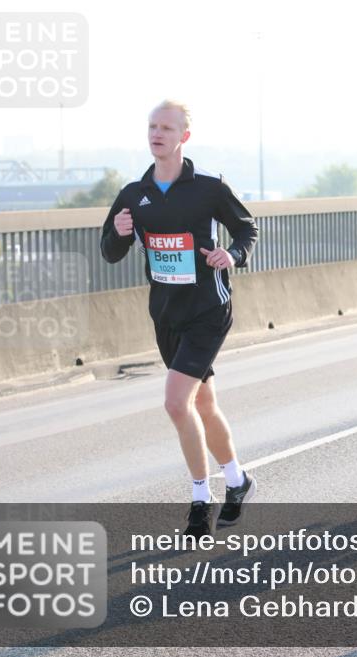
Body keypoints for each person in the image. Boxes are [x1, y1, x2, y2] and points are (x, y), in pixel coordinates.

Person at [101, 100, 259, 537]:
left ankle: (199, 501)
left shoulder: (208, 187)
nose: (158, 133)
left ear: (184, 136)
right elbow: (109, 252)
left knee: (176, 402)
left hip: (209, 309)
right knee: (203, 404)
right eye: (152, 125)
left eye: (167, 127)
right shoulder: (134, 194)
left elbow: (246, 228)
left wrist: (234, 253)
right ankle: (238, 481)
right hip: (166, 314)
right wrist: (118, 233)